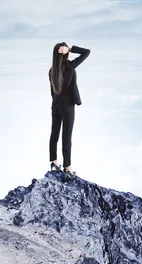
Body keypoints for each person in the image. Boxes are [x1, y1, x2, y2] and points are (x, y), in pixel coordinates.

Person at [49, 42, 91, 180]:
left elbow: (52, 92)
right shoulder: (70, 66)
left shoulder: (51, 70)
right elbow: (87, 52)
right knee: (66, 136)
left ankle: (54, 162)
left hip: (55, 105)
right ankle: (67, 167)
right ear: (65, 52)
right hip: (68, 106)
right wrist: (71, 48)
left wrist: (56, 103)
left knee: (54, 134)